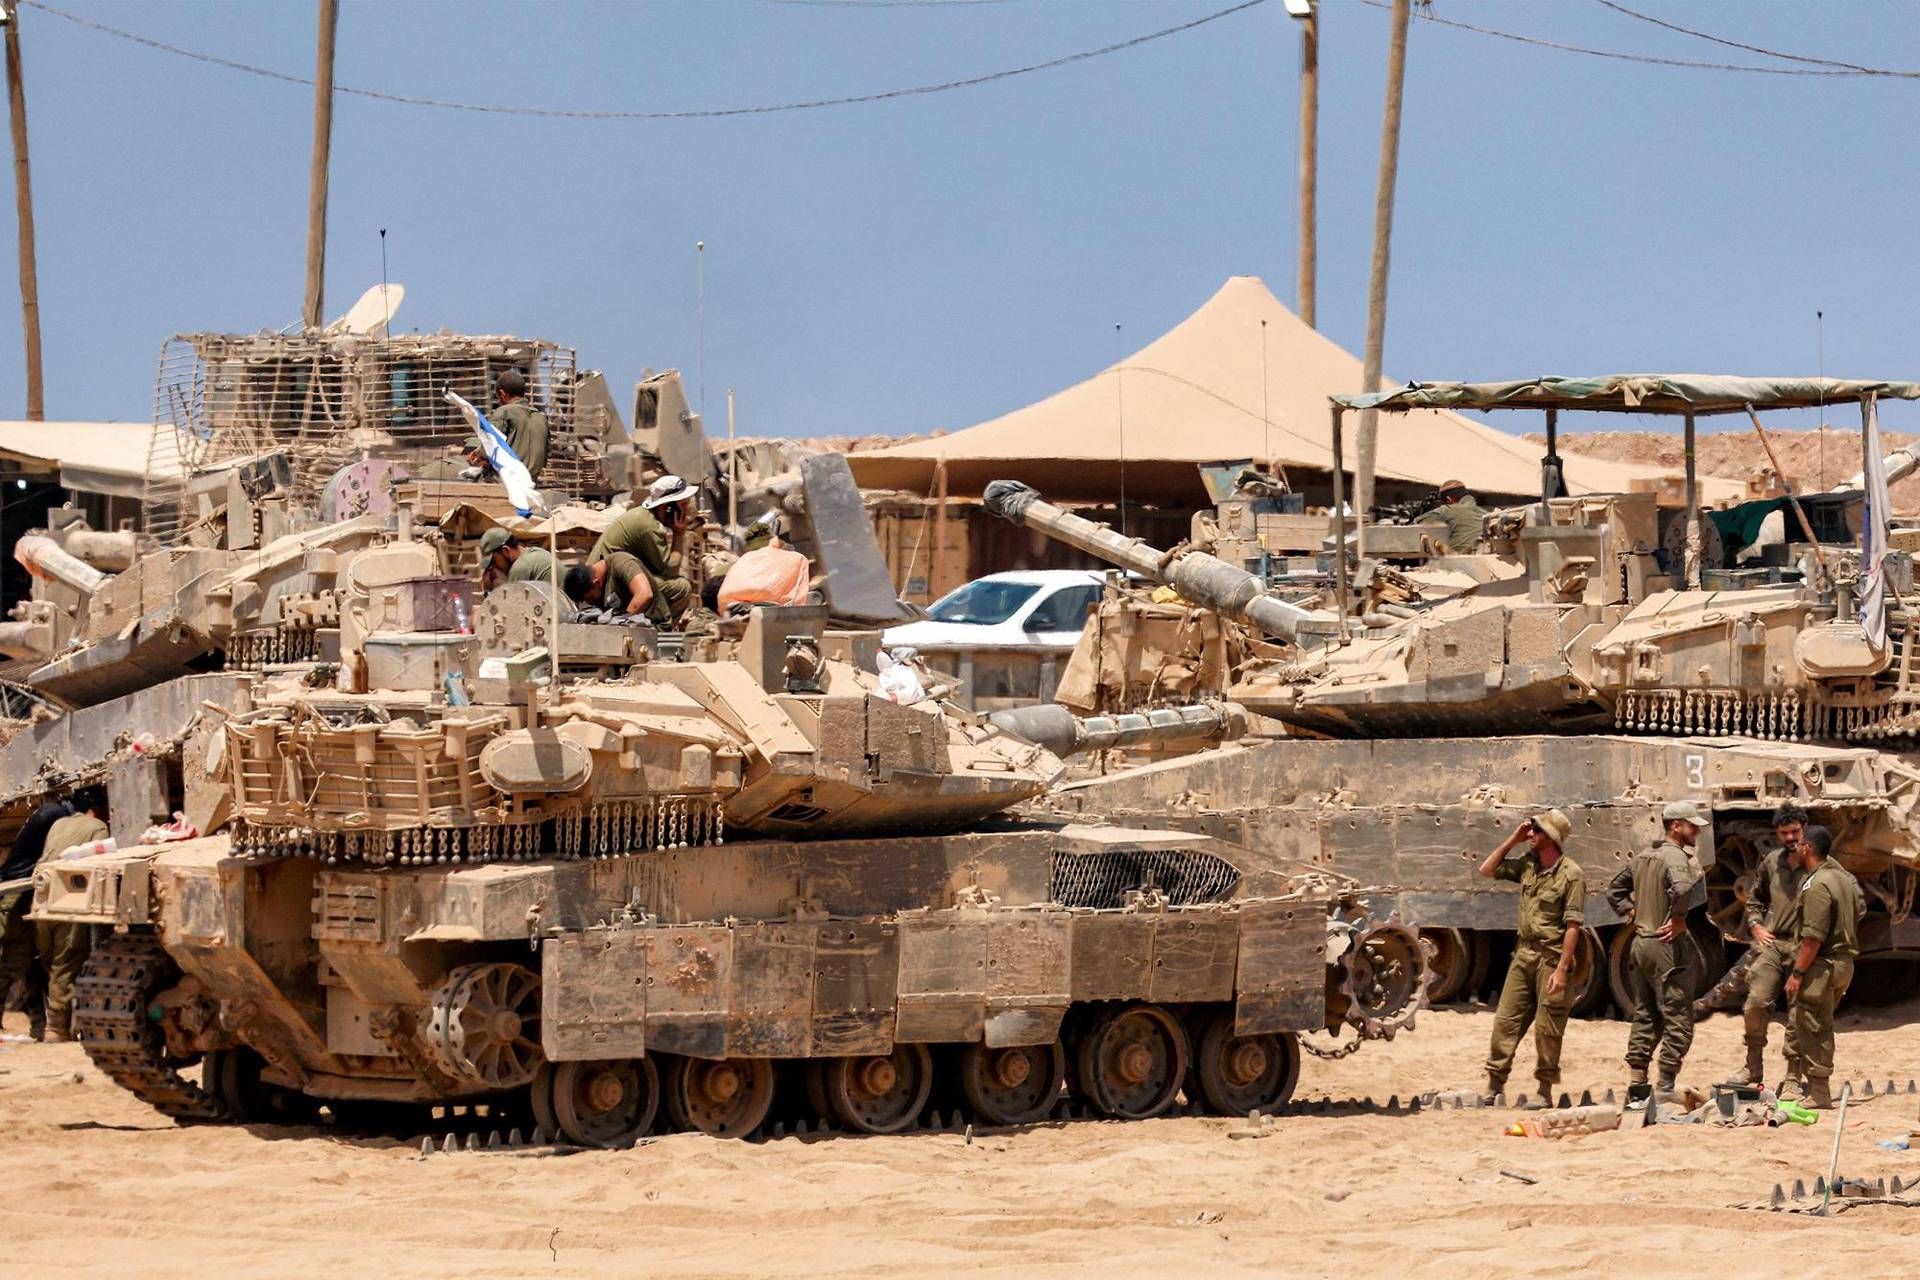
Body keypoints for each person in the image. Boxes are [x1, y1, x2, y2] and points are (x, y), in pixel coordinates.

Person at [1478, 807, 1585, 1105]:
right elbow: (1486, 870)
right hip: (1523, 953)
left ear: (1551, 837)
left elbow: (1573, 926)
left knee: (1547, 1027)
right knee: (1505, 1020)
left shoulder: (1572, 875)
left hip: (1551, 957)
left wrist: (1562, 969)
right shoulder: (1528, 865)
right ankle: (1495, 1085)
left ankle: (1544, 1090)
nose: (1531, 834)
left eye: (1536, 830)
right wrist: (1513, 840)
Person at [1605, 799, 1705, 1097]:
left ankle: (1637, 1080)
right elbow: (1683, 888)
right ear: (1675, 826)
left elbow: (1614, 889)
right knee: (1678, 1015)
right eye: (1691, 826)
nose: (1696, 832)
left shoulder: (1644, 856)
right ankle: (1665, 1083)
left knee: (1645, 1013)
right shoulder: (1675, 857)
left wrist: (1629, 910)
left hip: (1640, 943)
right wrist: (1678, 919)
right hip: (1666, 945)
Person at [1787, 825, 1863, 1109]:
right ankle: (1812, 1085)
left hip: (1823, 966)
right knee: (1820, 1022)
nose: (1796, 847)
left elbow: (1812, 938)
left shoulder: (1817, 885)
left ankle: (1819, 1091)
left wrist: (1797, 973)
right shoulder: (1842, 879)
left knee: (1814, 1026)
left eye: (1800, 843)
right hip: (1844, 963)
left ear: (1808, 847)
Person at [1740, 803, 1814, 1091]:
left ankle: (1794, 1075)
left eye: (1795, 831)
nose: (1790, 838)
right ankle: (1752, 1067)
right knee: (1756, 1003)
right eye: (1784, 833)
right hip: (1774, 942)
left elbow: (1851, 900)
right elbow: (1755, 899)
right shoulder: (1771, 862)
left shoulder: (1820, 862)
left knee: (1798, 1013)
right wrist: (1756, 925)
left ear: (1804, 829)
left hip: (1805, 946)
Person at [35, 785, 108, 1042]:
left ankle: (56, 1018)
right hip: (69, 899)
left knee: (51, 960)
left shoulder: (58, 824)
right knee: (65, 962)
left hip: (42, 900)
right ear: (97, 809)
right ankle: (56, 1028)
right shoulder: (98, 827)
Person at [0, 795, 73, 1039]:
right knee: (13, 962)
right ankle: (41, 1026)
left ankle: (39, 1026)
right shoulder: (55, 816)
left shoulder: (47, 814)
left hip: (25, 892)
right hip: (17, 894)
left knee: (31, 966)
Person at [584, 476, 699, 626]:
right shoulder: (649, 527)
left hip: (607, 582)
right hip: (606, 587)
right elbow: (669, 570)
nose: (687, 509)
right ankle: (660, 629)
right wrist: (679, 533)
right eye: (683, 504)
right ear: (668, 507)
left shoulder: (644, 516)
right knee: (682, 587)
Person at [491, 368, 548, 480]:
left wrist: (478, 455)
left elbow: (489, 444)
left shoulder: (504, 412)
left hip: (507, 481)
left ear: (502, 394)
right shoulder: (541, 417)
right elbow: (546, 454)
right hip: (531, 480)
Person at [1417, 480, 1486, 552]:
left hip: (1459, 557)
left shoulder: (1446, 511)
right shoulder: (1485, 514)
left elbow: (1414, 527)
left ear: (1449, 499)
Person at [477, 527, 556, 590]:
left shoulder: (519, 568)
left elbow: (512, 603)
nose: (494, 567)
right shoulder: (537, 552)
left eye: (493, 562)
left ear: (505, 550)